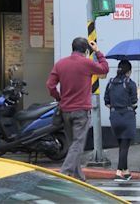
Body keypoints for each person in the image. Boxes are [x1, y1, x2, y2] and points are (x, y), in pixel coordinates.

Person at [46, 37, 109, 181]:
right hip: (81, 111)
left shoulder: (60, 64)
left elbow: (50, 85)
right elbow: (104, 68)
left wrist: (59, 97)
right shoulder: (87, 63)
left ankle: (79, 176)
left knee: (73, 144)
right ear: (86, 50)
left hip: (65, 110)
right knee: (78, 144)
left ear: (72, 48)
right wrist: (98, 51)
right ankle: (64, 173)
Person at [104, 59, 138, 181]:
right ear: (128, 71)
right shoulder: (130, 83)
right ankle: (119, 172)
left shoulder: (111, 82)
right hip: (127, 117)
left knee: (121, 146)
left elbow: (106, 102)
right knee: (125, 146)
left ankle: (126, 171)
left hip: (114, 118)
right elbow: (134, 103)